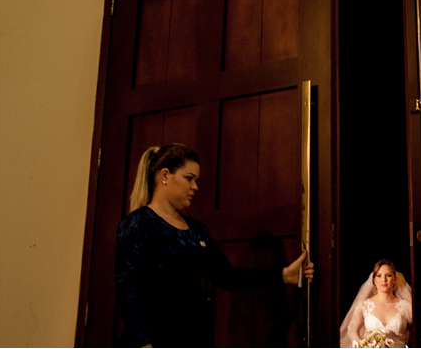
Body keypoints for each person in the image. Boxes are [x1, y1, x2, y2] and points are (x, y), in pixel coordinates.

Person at [115, 144, 314, 348]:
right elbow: (128, 289)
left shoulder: (196, 230)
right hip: (151, 341)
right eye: (189, 178)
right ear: (165, 175)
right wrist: (144, 343)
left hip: (190, 339)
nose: (195, 187)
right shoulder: (139, 223)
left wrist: (284, 274)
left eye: (196, 180)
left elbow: (229, 276)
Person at [340, 258, 413, 348]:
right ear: (374, 280)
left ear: (394, 279)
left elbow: (413, 332)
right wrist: (360, 343)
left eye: (388, 275)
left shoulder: (405, 307)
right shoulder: (365, 305)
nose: (384, 279)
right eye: (379, 276)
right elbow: (352, 329)